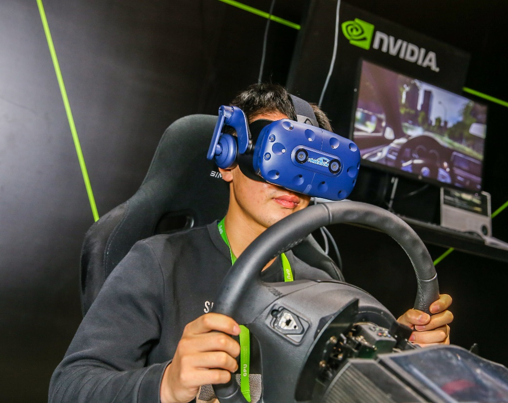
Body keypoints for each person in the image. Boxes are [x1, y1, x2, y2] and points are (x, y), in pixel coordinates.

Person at [49, 83, 453, 403]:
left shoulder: (323, 283)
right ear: (228, 158)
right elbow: (70, 386)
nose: (291, 184)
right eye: (278, 155)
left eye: (305, 165)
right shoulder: (159, 263)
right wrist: (166, 385)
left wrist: (398, 356)